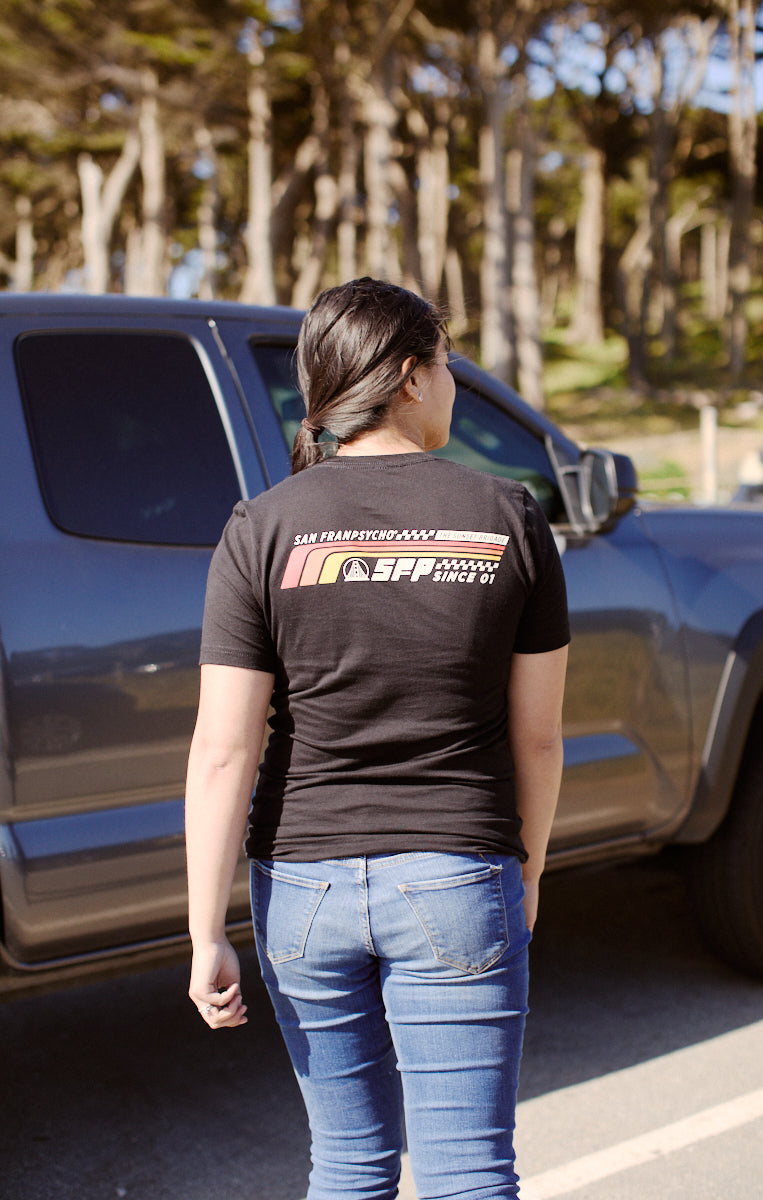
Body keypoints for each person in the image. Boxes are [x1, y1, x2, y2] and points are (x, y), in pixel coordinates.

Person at [185, 277, 570, 1200]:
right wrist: (527, 878)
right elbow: (542, 741)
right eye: (445, 366)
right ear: (408, 377)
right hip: (456, 872)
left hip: (302, 891)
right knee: (467, 1173)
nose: (449, 385)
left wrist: (205, 932)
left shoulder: (261, 528)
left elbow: (223, 752)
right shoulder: (509, 516)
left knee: (348, 1166)